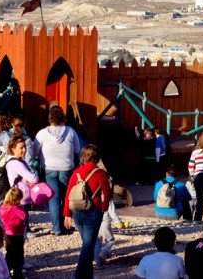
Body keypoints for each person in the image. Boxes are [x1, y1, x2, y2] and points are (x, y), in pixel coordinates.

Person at [64, 144, 111, 279]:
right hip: (93, 212)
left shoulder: (76, 172)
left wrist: (67, 214)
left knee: (87, 244)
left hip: (77, 212)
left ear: (83, 157)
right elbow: (107, 194)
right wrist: (104, 208)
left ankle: (88, 275)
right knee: (87, 246)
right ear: (97, 158)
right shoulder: (100, 173)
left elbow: (68, 194)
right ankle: (79, 275)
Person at [34, 105, 80, 236]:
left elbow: (35, 152)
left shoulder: (42, 133)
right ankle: (66, 224)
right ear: (62, 117)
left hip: (49, 167)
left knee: (53, 198)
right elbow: (77, 150)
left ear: (49, 118)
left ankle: (56, 228)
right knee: (66, 198)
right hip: (66, 168)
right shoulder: (70, 131)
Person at [4, 136, 39, 235]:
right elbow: (33, 178)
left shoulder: (19, 161)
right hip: (20, 195)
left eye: (25, 147)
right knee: (22, 217)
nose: (24, 150)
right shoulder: (16, 163)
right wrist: (33, 177)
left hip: (22, 194)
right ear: (13, 149)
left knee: (24, 216)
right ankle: (23, 234)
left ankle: (25, 230)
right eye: (21, 148)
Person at [0, 188, 27, 279]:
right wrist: (20, 207)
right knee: (18, 255)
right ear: (17, 200)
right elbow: (24, 216)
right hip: (17, 233)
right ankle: (17, 274)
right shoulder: (15, 209)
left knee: (10, 253)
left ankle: (6, 272)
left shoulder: (3, 207)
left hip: (7, 233)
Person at [95, 197, 123, 267]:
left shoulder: (93, 196)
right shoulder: (107, 199)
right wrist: (118, 222)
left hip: (94, 222)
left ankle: (98, 263)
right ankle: (103, 252)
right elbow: (113, 213)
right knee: (110, 240)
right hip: (104, 222)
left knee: (97, 242)